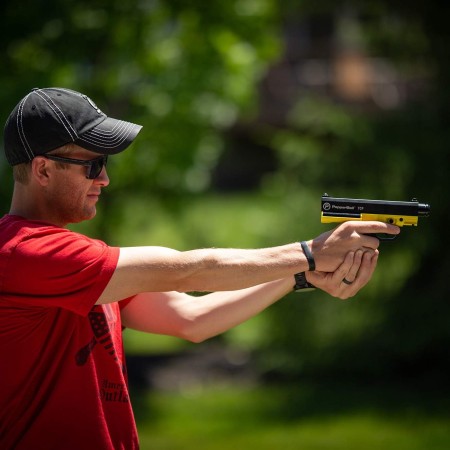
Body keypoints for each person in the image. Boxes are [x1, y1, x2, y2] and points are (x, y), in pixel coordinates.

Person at [0, 87, 399, 450]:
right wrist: (311, 251)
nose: (104, 179)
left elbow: (191, 318)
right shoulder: (24, 253)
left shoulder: (72, 260)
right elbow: (187, 270)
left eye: (104, 163)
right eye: (92, 164)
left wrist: (299, 275)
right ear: (43, 170)